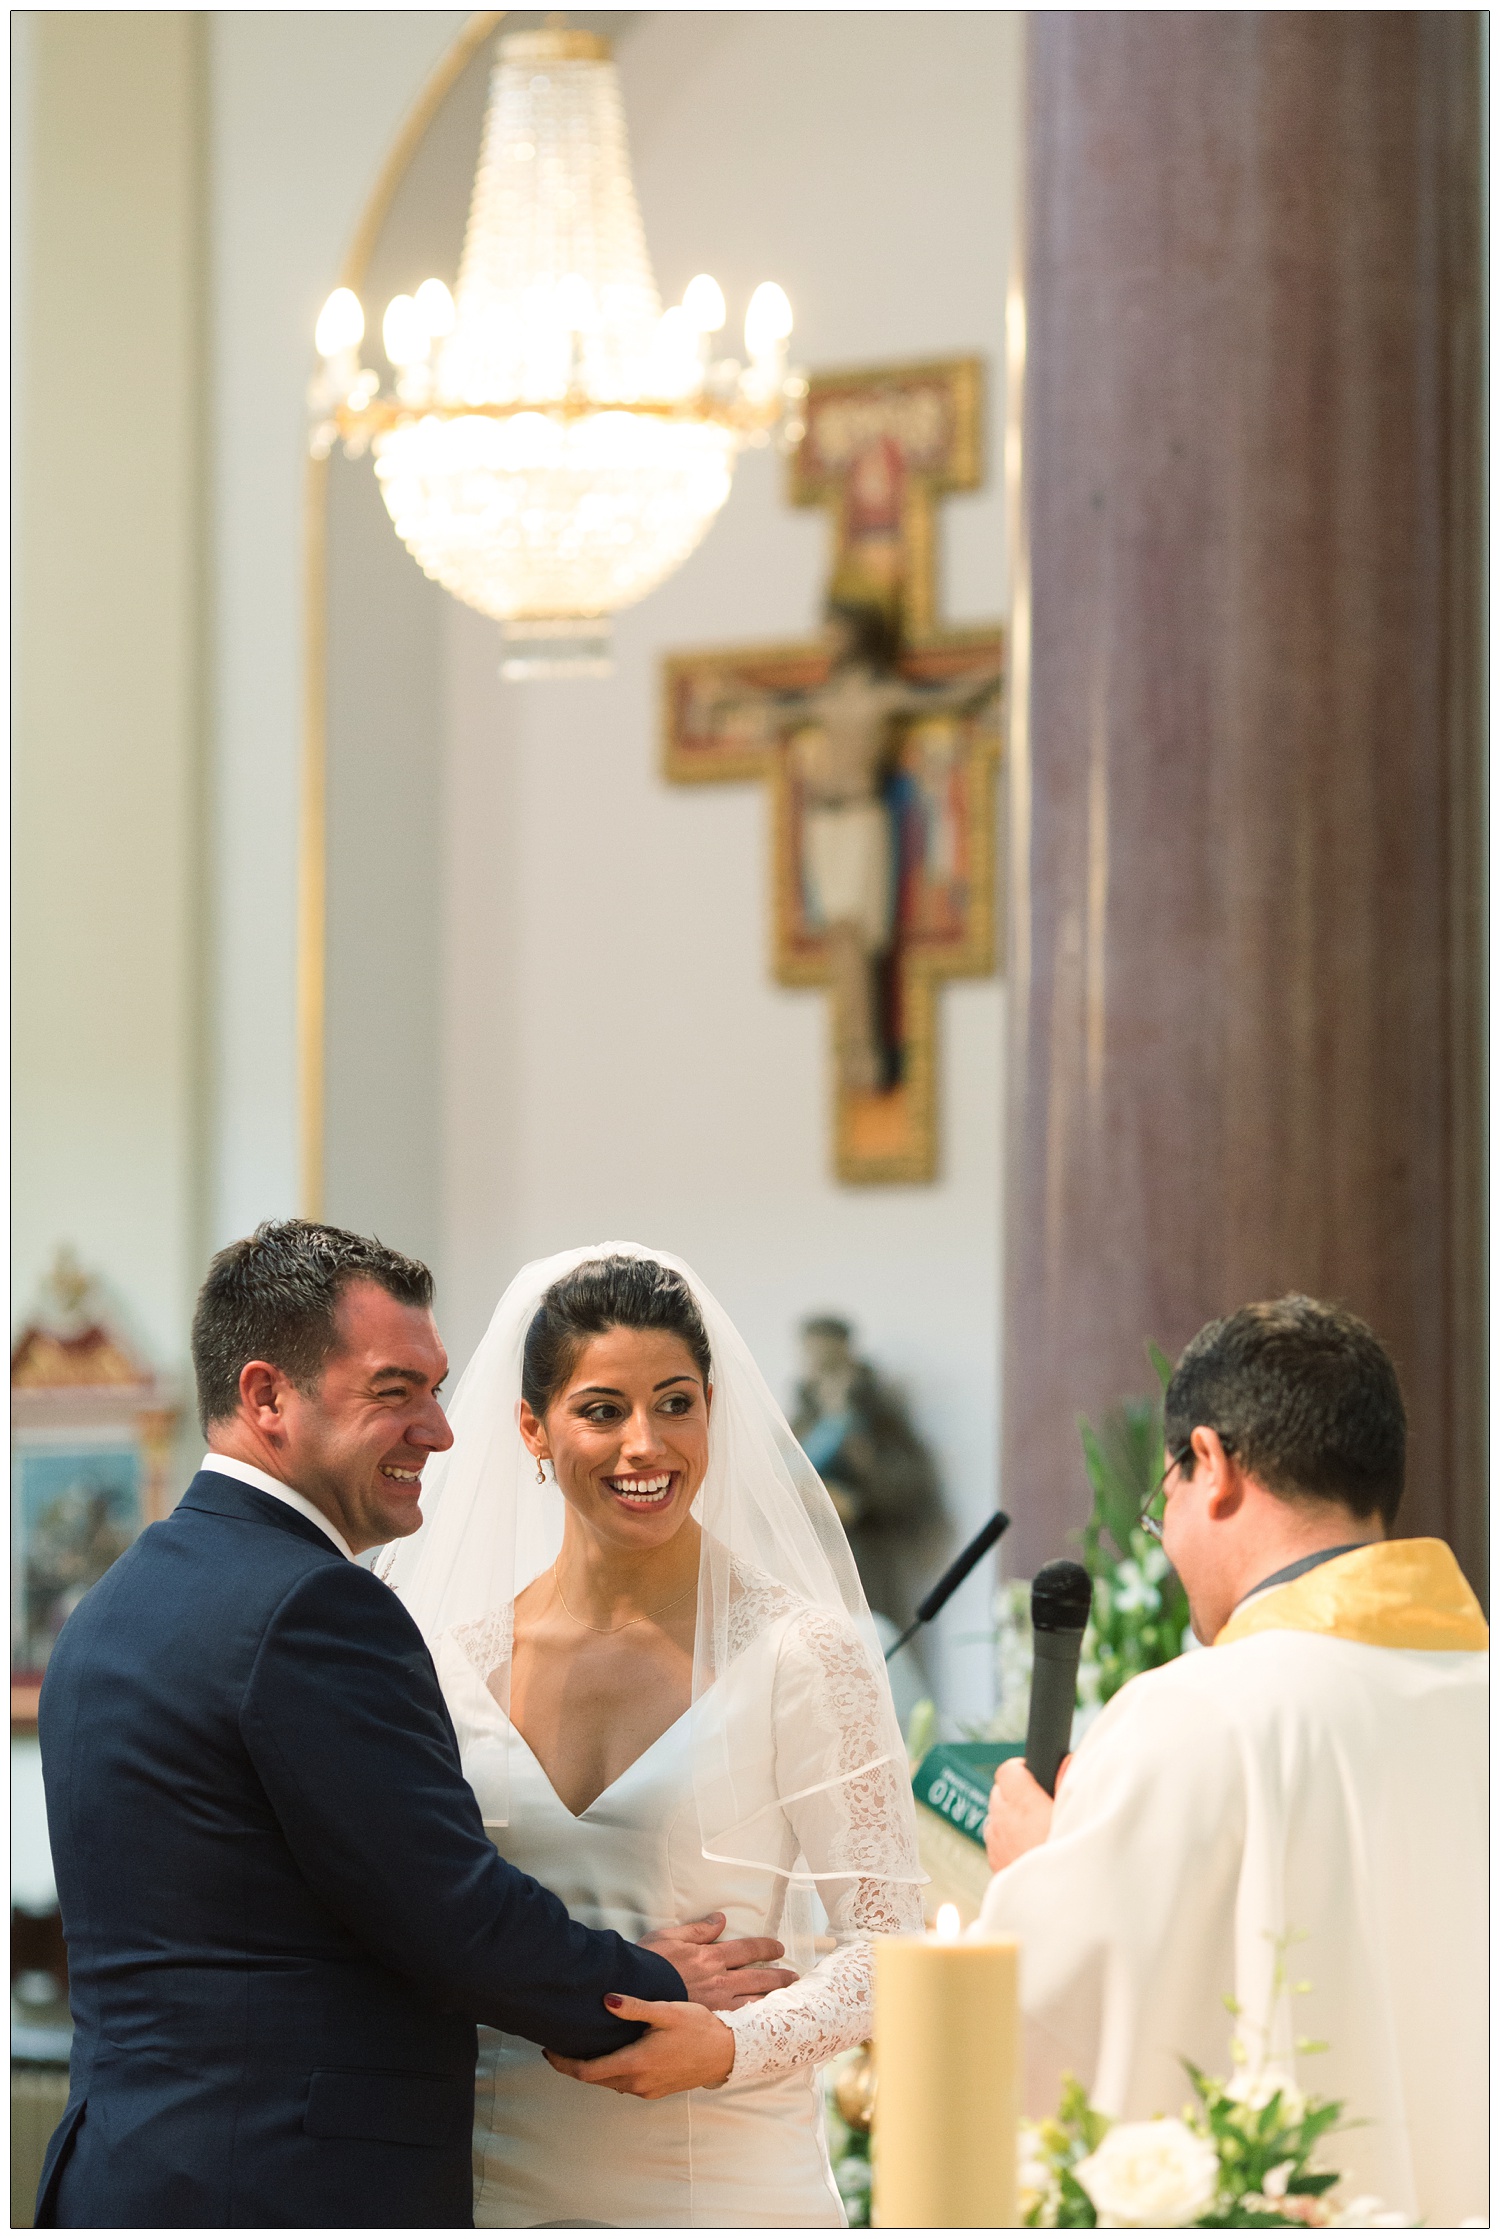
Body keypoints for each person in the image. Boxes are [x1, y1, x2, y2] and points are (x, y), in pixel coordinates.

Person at [34, 1221, 793, 2230]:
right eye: (396, 1392)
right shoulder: (313, 1606)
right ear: (267, 1396)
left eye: (435, 1388)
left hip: (118, 2177)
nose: (438, 1429)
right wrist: (652, 1979)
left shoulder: (110, 1607)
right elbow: (451, 1913)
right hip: (287, 2189)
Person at [385, 1245, 927, 2228]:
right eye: (602, 1410)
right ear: (531, 1429)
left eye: (676, 1403)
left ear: (712, 1410)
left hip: (725, 2187)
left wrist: (726, 2047)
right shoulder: (444, 1664)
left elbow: (890, 1946)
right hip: (499, 2189)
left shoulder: (803, 1652)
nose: (647, 1444)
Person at [979, 1296, 1487, 2228]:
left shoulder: (1199, 1711)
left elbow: (1038, 2044)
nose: (1163, 1535)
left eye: (1159, 1498)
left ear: (1208, 1465)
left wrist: (1041, 1870)